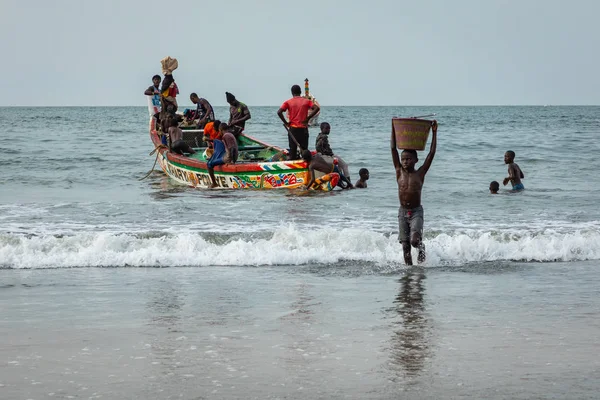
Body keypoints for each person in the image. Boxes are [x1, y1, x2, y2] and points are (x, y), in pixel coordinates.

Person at [391, 120, 437, 266]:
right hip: (402, 212)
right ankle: (409, 272)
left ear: (416, 160)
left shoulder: (420, 173)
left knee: (414, 241)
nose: (405, 162)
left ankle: (422, 247)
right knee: (405, 246)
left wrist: (434, 132)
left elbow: (431, 153)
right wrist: (393, 128)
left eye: (409, 159)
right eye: (403, 159)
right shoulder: (399, 171)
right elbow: (393, 148)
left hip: (416, 211)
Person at [277, 85, 320, 160]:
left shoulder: (288, 102)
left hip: (293, 130)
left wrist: (286, 123)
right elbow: (316, 108)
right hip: (303, 129)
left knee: (292, 150)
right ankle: (305, 166)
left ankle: (293, 166)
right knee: (304, 150)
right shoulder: (306, 101)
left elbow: (279, 112)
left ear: (292, 93)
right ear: (300, 92)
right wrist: (308, 118)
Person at [206, 123, 238, 188]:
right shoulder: (230, 134)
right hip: (230, 156)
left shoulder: (225, 136)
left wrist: (231, 161)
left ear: (220, 130)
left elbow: (231, 148)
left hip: (228, 158)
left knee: (209, 164)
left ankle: (214, 183)